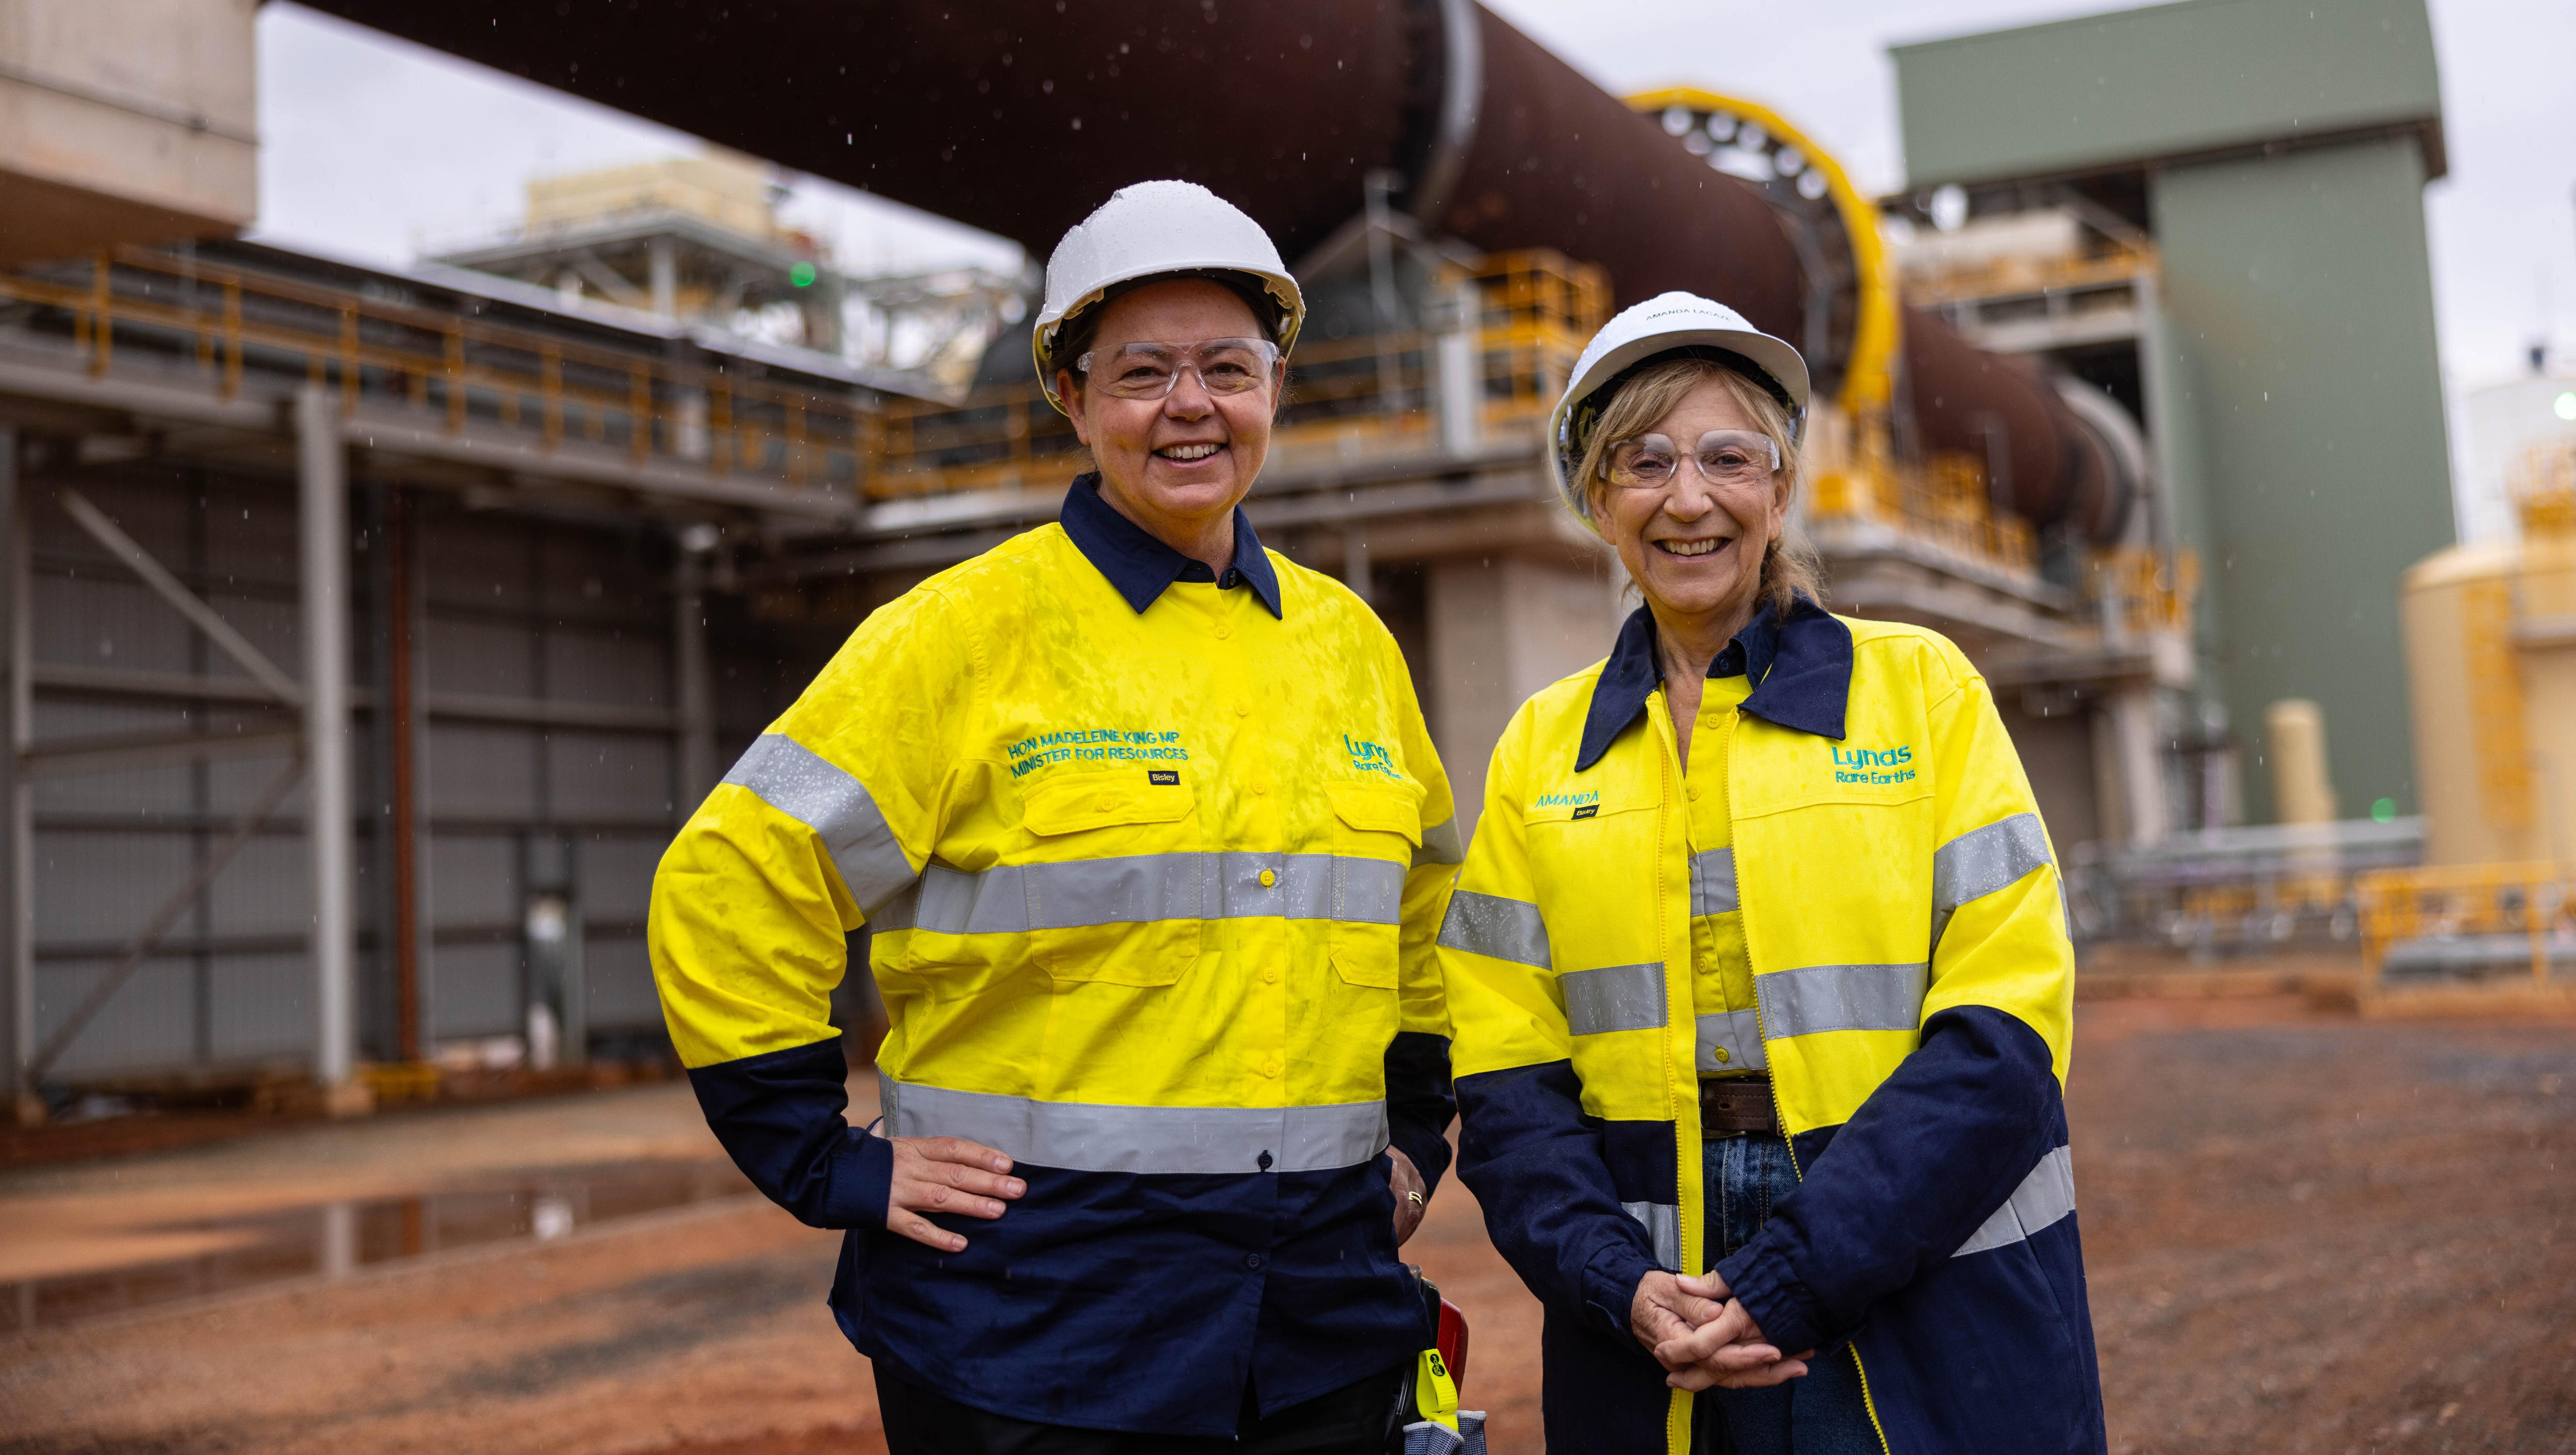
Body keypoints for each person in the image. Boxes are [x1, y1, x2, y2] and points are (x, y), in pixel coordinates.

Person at [648, 180, 1464, 1455]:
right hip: (1036, 1330)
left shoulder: (1349, 646)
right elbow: (736, 875)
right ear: (1073, 400)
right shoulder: (960, 636)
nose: (1191, 406)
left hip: (1315, 1324)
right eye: (1142, 373)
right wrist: (823, 1156)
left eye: (1227, 369)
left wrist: (1416, 1132)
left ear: (1274, 389)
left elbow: (1417, 913)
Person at [1436, 294, 2105, 1454]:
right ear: (1597, 501)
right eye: (1641, 461)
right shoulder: (1541, 751)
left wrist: (1800, 1265)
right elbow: (1505, 1084)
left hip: (1912, 1259)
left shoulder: (1920, 693)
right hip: (1652, 1307)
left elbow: (2004, 1034)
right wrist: (1619, 1282)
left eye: (1726, 457)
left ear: (1780, 488)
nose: (1686, 498)